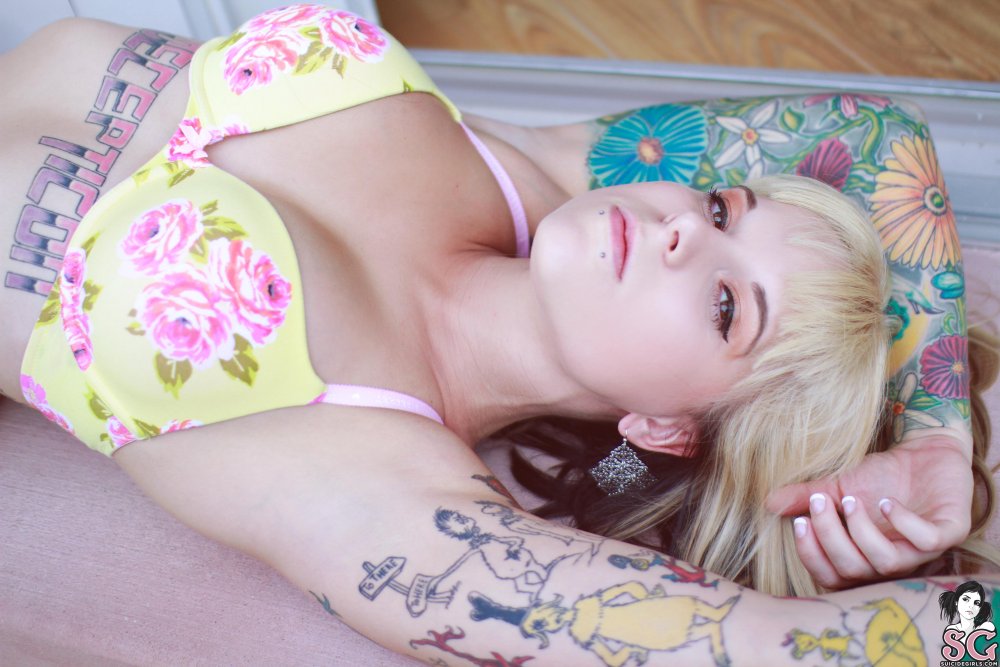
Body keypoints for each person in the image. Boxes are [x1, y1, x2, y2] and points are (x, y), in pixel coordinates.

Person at [1, 5, 996, 664]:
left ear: (664, 427)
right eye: (721, 207)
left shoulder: (385, 487)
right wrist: (937, 435)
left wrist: (959, 604)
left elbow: (778, 642)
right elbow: (879, 136)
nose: (685, 230)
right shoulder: (536, 171)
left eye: (727, 306)